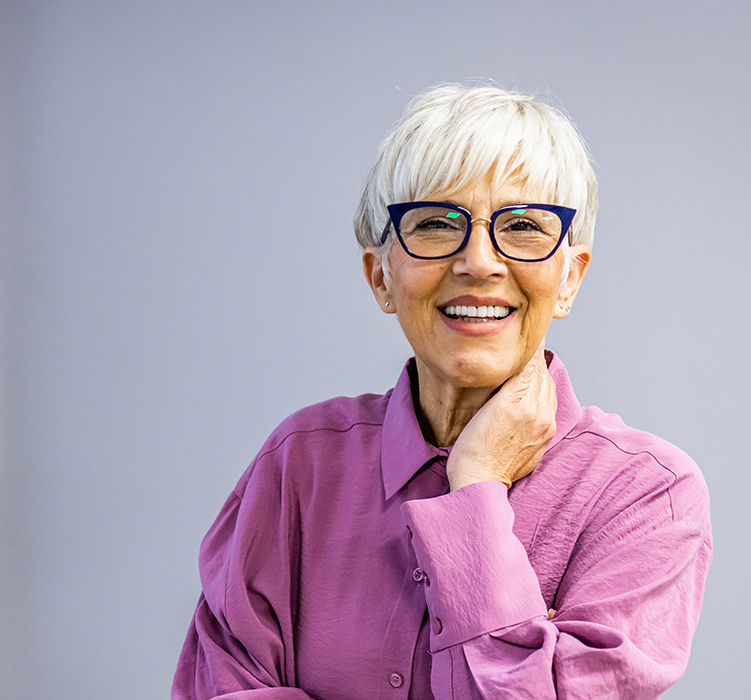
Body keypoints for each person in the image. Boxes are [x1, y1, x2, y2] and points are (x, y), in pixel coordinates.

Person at [172, 83, 713, 700]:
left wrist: (476, 487)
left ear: (569, 278)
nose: (479, 263)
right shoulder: (299, 465)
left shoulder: (646, 493)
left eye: (523, 226)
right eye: (435, 224)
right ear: (380, 276)